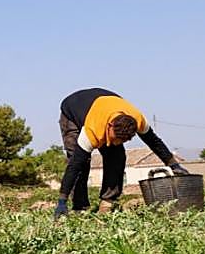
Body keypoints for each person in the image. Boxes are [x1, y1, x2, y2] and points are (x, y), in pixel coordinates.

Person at [56, 87, 188, 217]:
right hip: (72, 111)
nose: (115, 143)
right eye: (114, 139)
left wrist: (174, 165)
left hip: (107, 103)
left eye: (122, 141)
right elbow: (74, 166)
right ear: (109, 127)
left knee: (117, 156)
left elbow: (154, 142)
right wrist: (62, 200)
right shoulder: (92, 130)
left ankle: (107, 203)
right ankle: (80, 208)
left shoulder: (138, 120)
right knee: (81, 162)